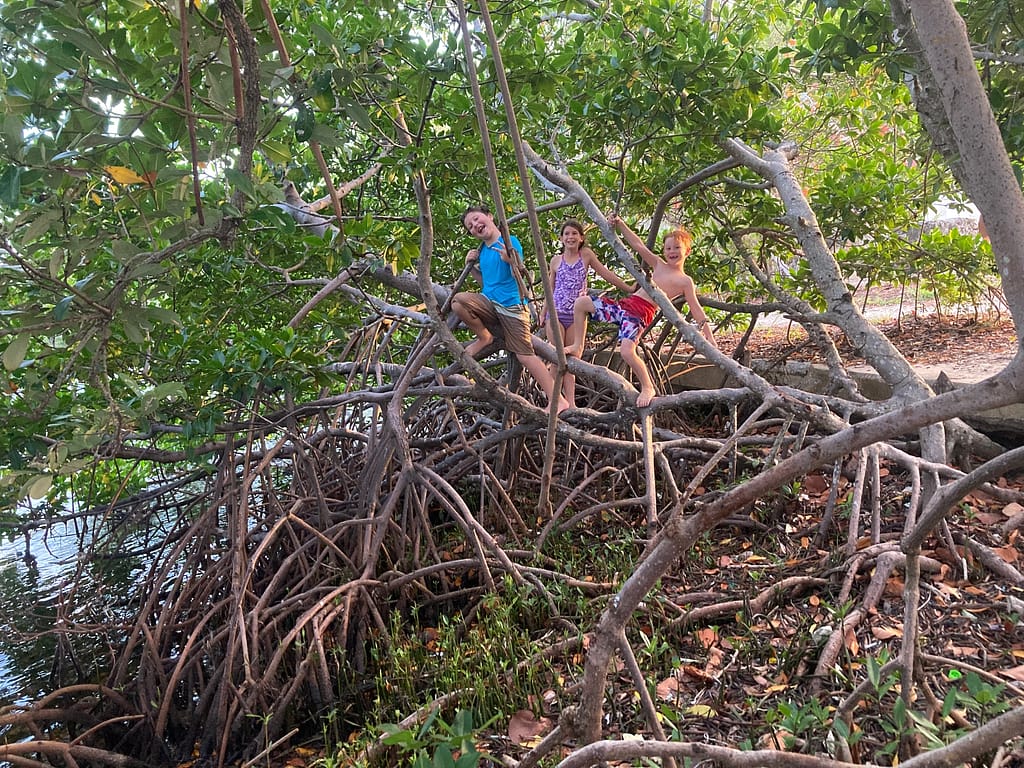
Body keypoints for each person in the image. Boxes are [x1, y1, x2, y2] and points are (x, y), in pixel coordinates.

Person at [564, 211, 718, 408]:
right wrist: (619, 224)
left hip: (638, 315)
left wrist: (709, 337)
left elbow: (696, 310)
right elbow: (637, 245)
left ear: (687, 251)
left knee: (628, 352)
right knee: (582, 303)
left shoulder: (685, 281)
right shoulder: (658, 265)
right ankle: (578, 345)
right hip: (625, 306)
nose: (672, 251)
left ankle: (647, 386)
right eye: (668, 248)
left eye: (677, 248)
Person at [451, 205, 570, 413]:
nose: (476, 225)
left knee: (525, 355)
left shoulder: (509, 242)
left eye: (477, 219)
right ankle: (484, 337)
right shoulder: (484, 252)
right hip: (490, 304)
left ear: (489, 216)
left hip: (511, 307)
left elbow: (520, 275)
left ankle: (558, 399)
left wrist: (511, 260)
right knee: (458, 301)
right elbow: (487, 283)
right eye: (470, 226)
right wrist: (470, 267)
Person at [541, 219, 635, 407]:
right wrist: (543, 312)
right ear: (561, 238)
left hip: (576, 315)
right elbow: (549, 289)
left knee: (572, 361)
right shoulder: (555, 261)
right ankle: (553, 401)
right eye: (567, 234)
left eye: (575, 233)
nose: (570, 237)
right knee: (557, 358)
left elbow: (605, 273)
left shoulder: (586, 255)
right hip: (556, 313)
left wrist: (628, 287)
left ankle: (571, 403)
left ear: (581, 237)